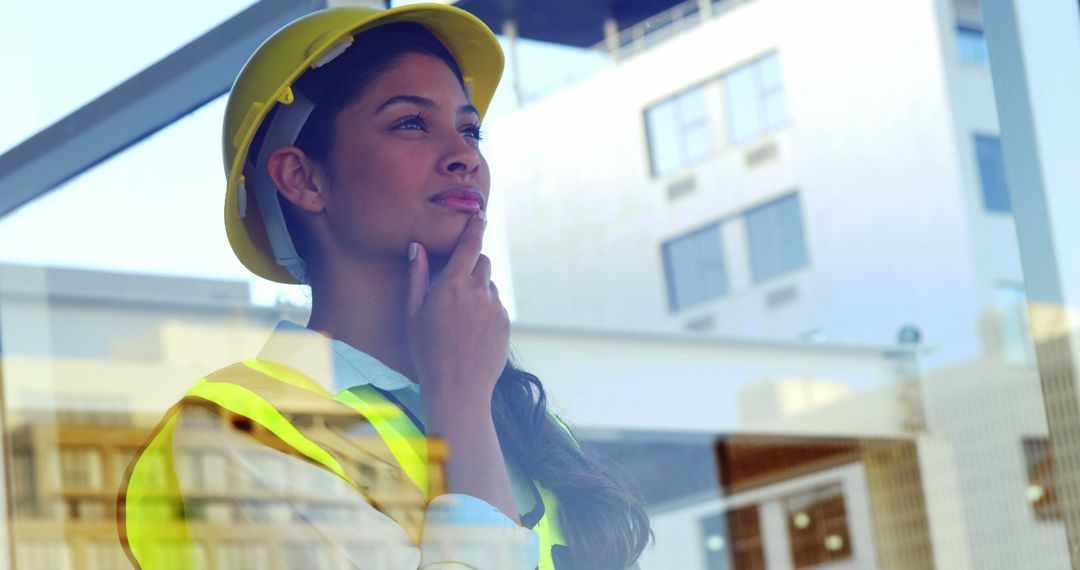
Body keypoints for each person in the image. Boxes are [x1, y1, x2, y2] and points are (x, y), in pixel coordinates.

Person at [118, 4, 651, 569]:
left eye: (470, 129)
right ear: (303, 178)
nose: (464, 155)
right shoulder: (234, 432)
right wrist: (462, 405)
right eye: (411, 123)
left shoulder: (524, 420)